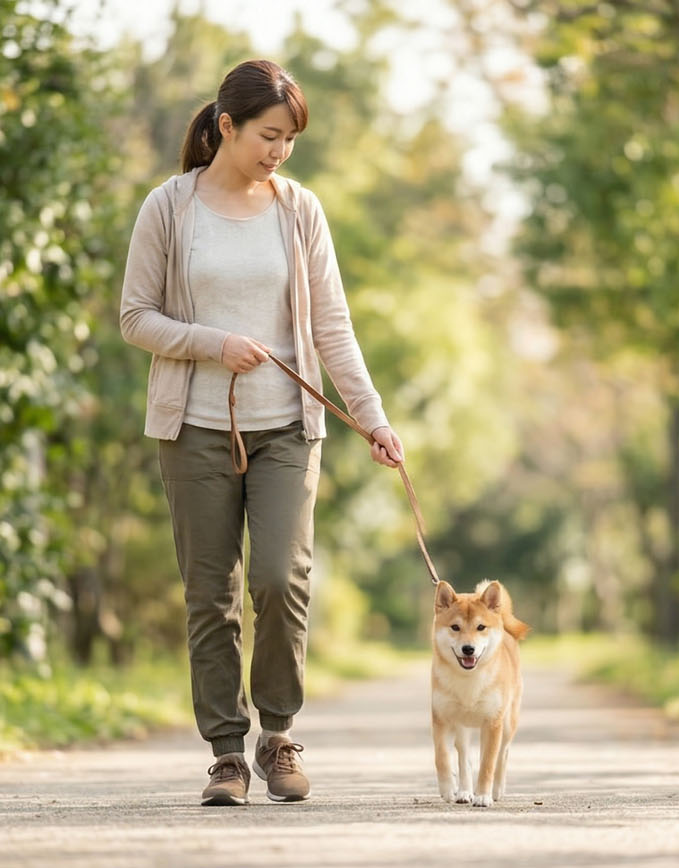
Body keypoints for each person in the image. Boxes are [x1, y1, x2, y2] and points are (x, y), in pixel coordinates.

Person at [119, 59, 404, 806]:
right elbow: (135, 317)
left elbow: (332, 327)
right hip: (194, 430)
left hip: (286, 427)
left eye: (289, 140)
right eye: (268, 136)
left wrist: (373, 419)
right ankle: (225, 754)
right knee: (210, 595)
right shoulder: (169, 207)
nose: (279, 152)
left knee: (281, 578)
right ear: (226, 127)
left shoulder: (300, 210)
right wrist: (213, 343)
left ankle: (277, 735)